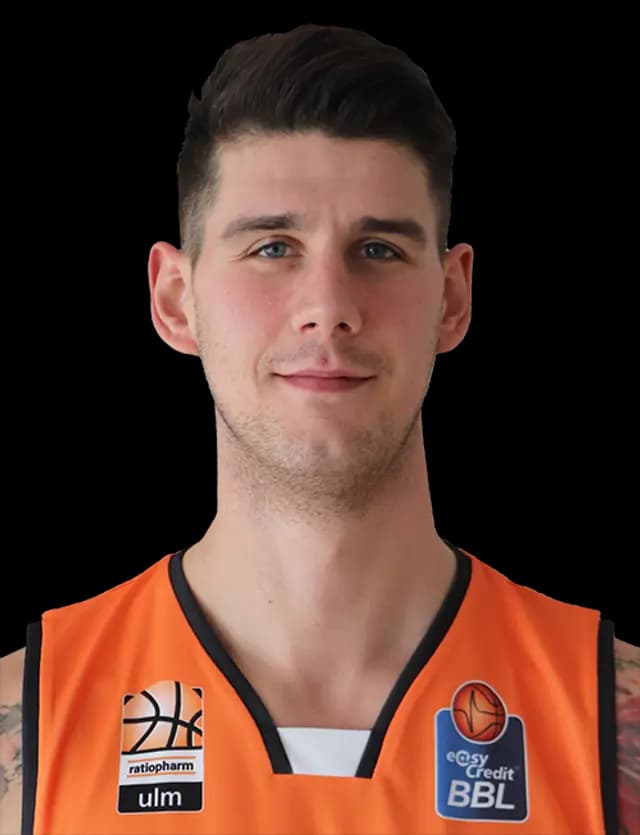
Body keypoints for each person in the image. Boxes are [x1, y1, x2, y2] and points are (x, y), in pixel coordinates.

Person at [1, 22, 638, 835]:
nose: (330, 307)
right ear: (175, 300)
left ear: (452, 298)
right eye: (273, 247)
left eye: (378, 248)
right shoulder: (30, 719)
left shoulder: (608, 716)